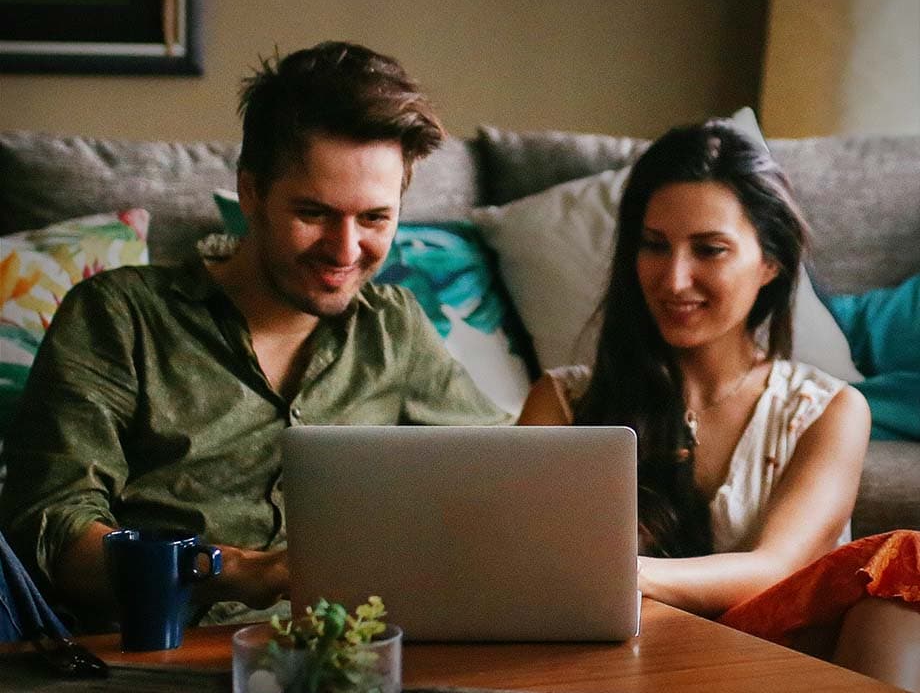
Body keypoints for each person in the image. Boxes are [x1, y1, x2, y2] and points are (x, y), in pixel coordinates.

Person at [0, 41, 510, 629]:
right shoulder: (119, 315)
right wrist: (238, 570)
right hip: (152, 652)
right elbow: (54, 533)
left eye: (374, 218)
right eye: (314, 214)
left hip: (339, 655)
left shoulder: (394, 328)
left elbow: (505, 477)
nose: (345, 251)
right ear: (251, 193)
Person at [517, 119, 872, 618]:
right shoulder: (562, 401)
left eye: (709, 249)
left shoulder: (827, 411)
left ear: (771, 262)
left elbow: (775, 569)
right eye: (654, 245)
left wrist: (618, 573)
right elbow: (521, 562)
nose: (675, 279)